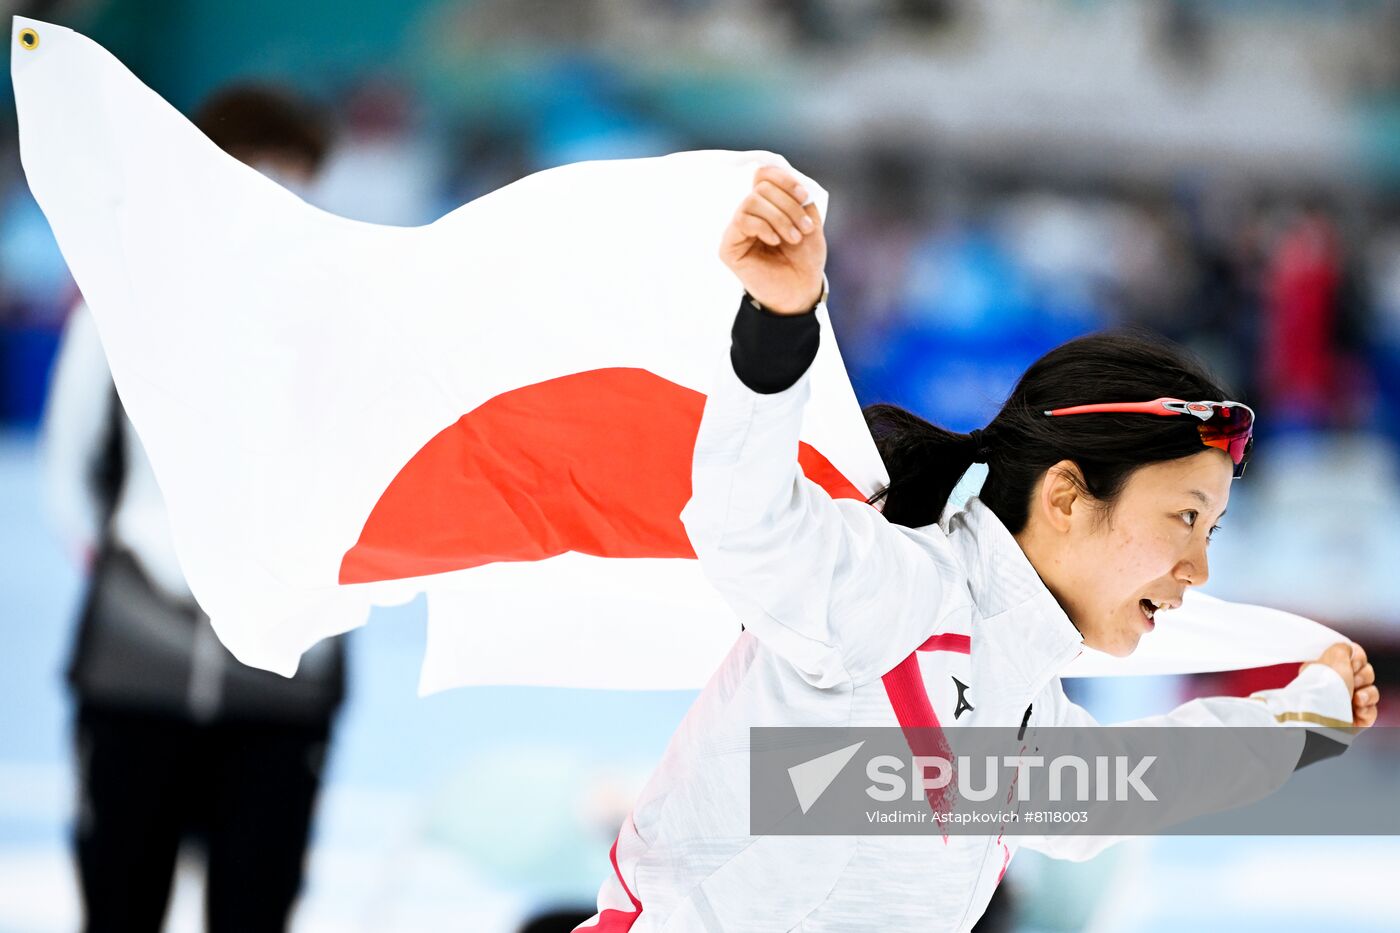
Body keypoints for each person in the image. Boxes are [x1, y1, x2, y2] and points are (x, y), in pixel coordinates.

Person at [575, 166, 1380, 932]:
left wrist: (1301, 718)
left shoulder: (1020, 698)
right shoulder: (894, 590)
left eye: (1211, 532)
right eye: (1183, 518)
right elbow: (744, 524)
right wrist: (779, 327)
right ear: (1065, 496)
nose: (1198, 569)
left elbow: (1137, 780)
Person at [40, 85, 346, 933]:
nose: (281, 194)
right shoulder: (119, 298)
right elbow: (66, 467)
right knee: (119, 894)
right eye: (262, 170)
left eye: (297, 176)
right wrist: (129, 570)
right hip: (136, 655)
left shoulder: (336, 315)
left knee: (257, 901)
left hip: (286, 671)